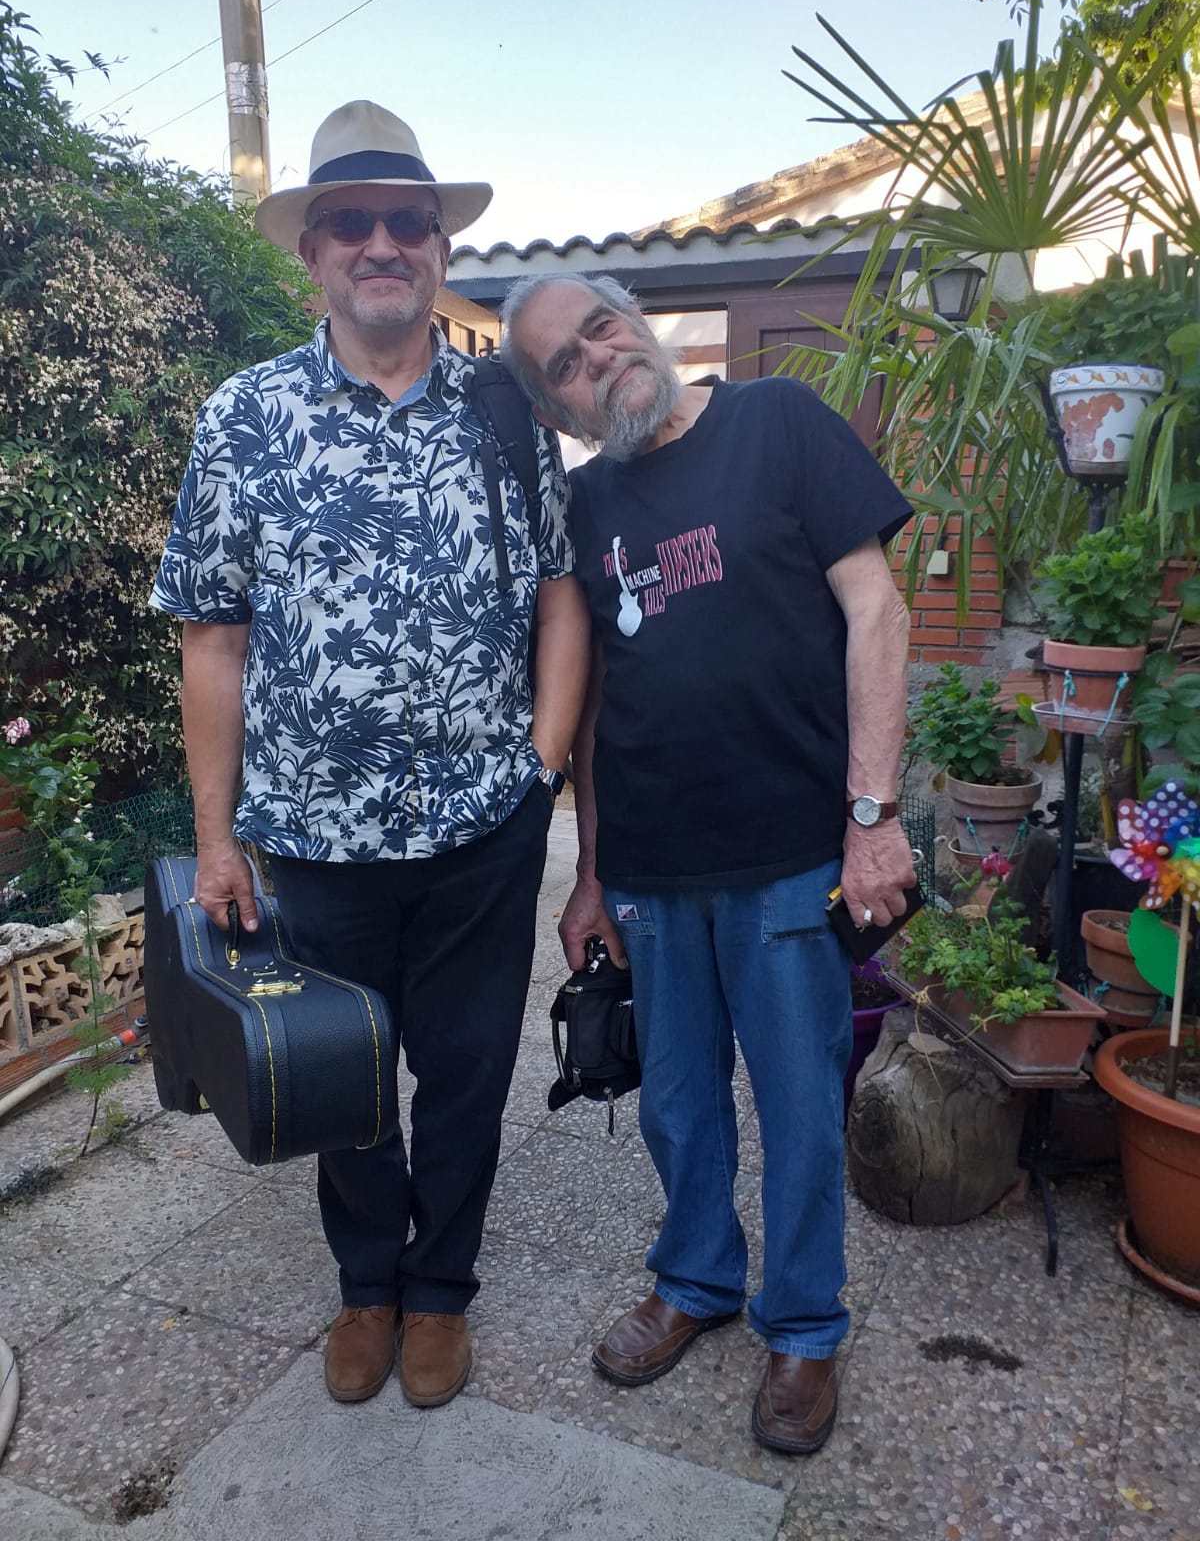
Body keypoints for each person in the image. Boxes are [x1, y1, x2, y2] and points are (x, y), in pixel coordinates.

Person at [151, 105, 589, 1410]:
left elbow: (559, 592)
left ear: (441, 248)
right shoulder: (245, 418)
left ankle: (439, 1287)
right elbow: (214, 639)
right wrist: (218, 839)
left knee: (464, 1074)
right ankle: (366, 1285)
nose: (383, 243)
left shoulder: (508, 410)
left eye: (409, 221)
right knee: (342, 1070)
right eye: (354, 222)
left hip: (484, 827)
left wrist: (542, 765)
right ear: (314, 254)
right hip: (315, 836)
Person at [499, 271, 915, 1455]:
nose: (597, 357)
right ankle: (695, 1278)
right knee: (679, 1103)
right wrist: (590, 874)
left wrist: (873, 816)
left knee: (799, 1106)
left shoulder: (779, 421)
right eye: (566, 365)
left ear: (636, 322)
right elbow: (590, 709)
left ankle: (804, 1322)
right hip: (650, 870)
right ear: (562, 409)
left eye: (600, 328)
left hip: (788, 856)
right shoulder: (586, 504)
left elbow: (877, 613)